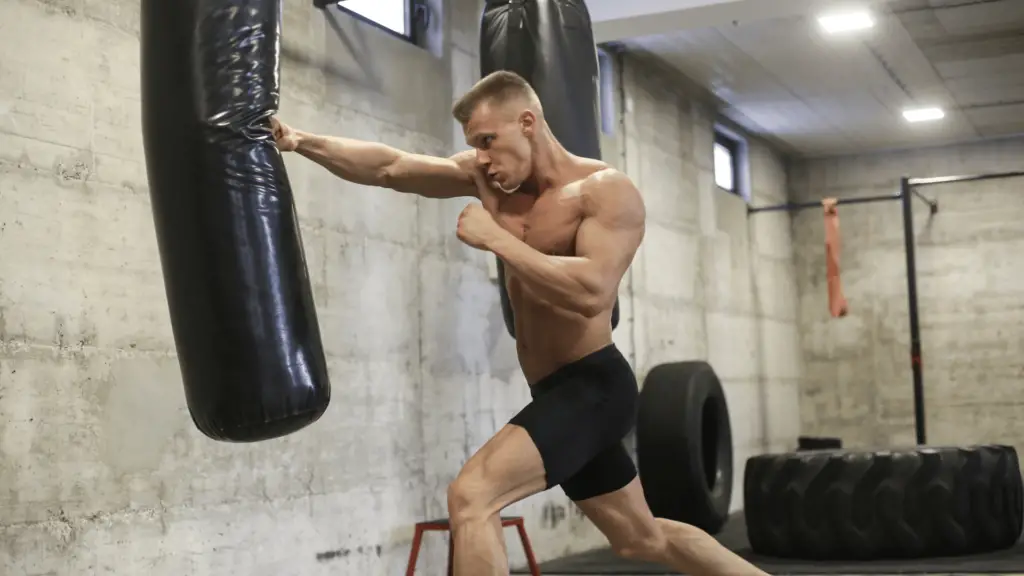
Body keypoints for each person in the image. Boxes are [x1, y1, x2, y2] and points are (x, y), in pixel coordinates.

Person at [271, 70, 768, 576]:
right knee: (643, 539)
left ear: (527, 122)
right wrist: (302, 141)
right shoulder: (490, 181)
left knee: (473, 494)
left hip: (595, 387)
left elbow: (594, 292)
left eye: (488, 140)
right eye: (474, 146)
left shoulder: (603, 191)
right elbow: (392, 168)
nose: (481, 157)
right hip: (553, 392)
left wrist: (498, 240)